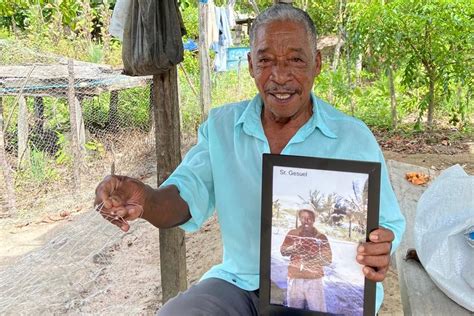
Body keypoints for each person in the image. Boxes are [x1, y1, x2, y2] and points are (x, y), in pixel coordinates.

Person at [94, 4, 405, 315]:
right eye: (266, 60)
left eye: (296, 60)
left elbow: (384, 226)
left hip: (316, 287)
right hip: (239, 284)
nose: (280, 76)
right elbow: (183, 196)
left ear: (317, 63)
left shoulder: (352, 138)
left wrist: (379, 250)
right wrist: (146, 199)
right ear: (251, 65)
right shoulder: (222, 128)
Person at [280, 209, 332, 311]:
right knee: (293, 312)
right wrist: (293, 248)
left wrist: (312, 257)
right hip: (294, 279)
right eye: (303, 218)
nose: (306, 221)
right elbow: (283, 251)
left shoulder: (321, 237)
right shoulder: (292, 233)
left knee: (318, 311)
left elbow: (328, 260)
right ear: (300, 219)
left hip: (314, 280)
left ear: (313, 220)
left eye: (309, 218)